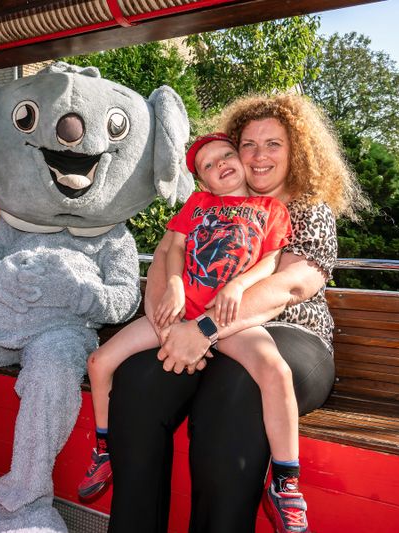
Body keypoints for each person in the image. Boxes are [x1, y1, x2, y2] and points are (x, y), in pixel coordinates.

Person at [107, 93, 369, 533]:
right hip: (204, 332)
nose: (259, 155)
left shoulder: (307, 210)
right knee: (138, 381)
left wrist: (203, 329)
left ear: (297, 151)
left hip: (290, 340)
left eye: (274, 144)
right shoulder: (214, 204)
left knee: (233, 392)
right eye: (249, 144)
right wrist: (164, 320)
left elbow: (288, 286)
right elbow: (170, 251)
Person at [77, 133, 294, 502]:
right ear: (202, 181)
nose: (221, 164)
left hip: (225, 318)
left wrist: (238, 286)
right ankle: (105, 447)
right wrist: (175, 285)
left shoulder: (271, 209)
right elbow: (175, 245)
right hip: (180, 313)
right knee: (99, 361)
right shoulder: (198, 203)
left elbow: (271, 261)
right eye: (208, 165)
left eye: (227, 154)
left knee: (276, 370)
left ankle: (286, 480)